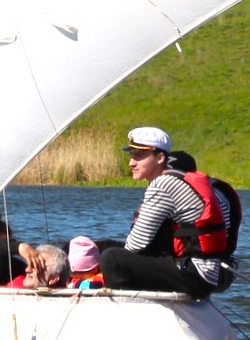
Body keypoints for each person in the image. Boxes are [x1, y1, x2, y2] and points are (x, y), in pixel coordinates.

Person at [91, 126, 235, 296]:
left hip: (198, 274)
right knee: (98, 248)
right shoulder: (195, 182)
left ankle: (129, 313)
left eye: (139, 156)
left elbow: (134, 246)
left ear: (160, 157)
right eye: (131, 156)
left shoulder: (163, 185)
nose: (131, 162)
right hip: (218, 271)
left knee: (112, 259)